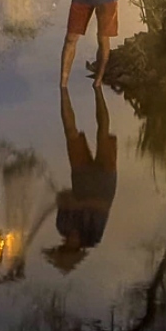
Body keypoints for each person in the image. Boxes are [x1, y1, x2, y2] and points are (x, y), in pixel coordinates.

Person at [43, 86, 117, 274]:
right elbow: (101, 205)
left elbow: (65, 197)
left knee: (71, 133)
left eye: (64, 247)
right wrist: (76, 203)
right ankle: (99, 93)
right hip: (104, 180)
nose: (67, 243)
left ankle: (66, 91)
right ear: (77, 249)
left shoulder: (62, 226)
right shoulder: (93, 236)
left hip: (81, 177)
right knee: (103, 133)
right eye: (69, 248)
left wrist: (64, 198)